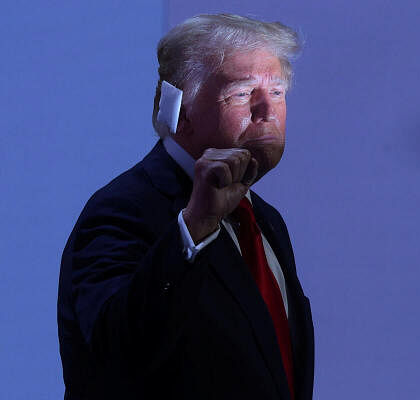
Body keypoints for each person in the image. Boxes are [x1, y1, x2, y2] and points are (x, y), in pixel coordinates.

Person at [58, 14, 314, 400]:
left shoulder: (265, 219)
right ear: (179, 112)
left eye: (277, 92)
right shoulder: (120, 210)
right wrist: (195, 226)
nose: (267, 111)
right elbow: (114, 355)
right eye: (243, 93)